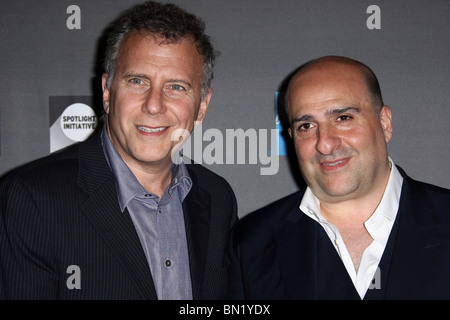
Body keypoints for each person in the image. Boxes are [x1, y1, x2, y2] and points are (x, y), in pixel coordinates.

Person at [0, 1, 237, 300]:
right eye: (137, 81)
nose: (154, 104)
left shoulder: (217, 197)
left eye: (176, 87)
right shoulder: (33, 200)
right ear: (107, 92)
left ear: (202, 106)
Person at [227, 55, 450, 299]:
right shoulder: (253, 243)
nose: (325, 143)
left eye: (343, 118)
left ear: (384, 123)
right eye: (306, 126)